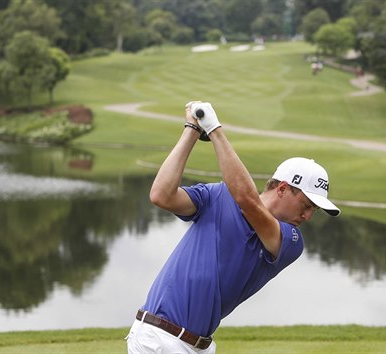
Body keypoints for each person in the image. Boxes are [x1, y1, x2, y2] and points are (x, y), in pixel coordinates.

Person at [126, 101, 340, 354]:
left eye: (313, 210)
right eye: (306, 205)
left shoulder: (291, 241)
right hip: (158, 338)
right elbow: (161, 195)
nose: (307, 216)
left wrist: (214, 129)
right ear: (282, 189)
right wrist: (192, 129)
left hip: (199, 346)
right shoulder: (216, 196)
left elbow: (248, 202)